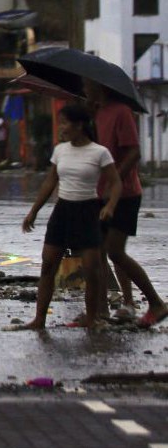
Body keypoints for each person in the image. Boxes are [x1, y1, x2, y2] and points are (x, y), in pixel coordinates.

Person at [11, 103, 121, 330]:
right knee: (48, 265)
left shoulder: (99, 152)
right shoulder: (60, 150)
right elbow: (51, 181)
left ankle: (92, 318)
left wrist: (110, 205)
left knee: (92, 269)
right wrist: (34, 211)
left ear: (79, 125)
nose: (61, 128)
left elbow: (116, 182)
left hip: (88, 211)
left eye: (64, 123)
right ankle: (39, 319)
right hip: (63, 210)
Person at [85, 79, 168, 327]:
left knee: (114, 251)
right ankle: (98, 312)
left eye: (87, 86)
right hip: (99, 193)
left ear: (100, 86)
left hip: (125, 193)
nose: (84, 90)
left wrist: (114, 179)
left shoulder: (121, 112)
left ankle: (155, 302)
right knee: (95, 253)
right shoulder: (97, 113)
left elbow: (133, 152)